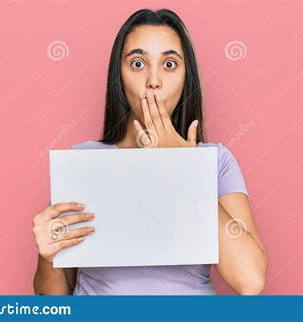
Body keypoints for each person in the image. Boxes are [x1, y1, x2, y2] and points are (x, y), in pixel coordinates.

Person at [32, 8, 267, 295]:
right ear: (118, 76)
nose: (153, 81)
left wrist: (186, 170)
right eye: (138, 63)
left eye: (169, 64)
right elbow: (54, 301)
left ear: (186, 78)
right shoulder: (83, 162)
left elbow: (251, 280)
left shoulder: (216, 161)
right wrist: (48, 257)